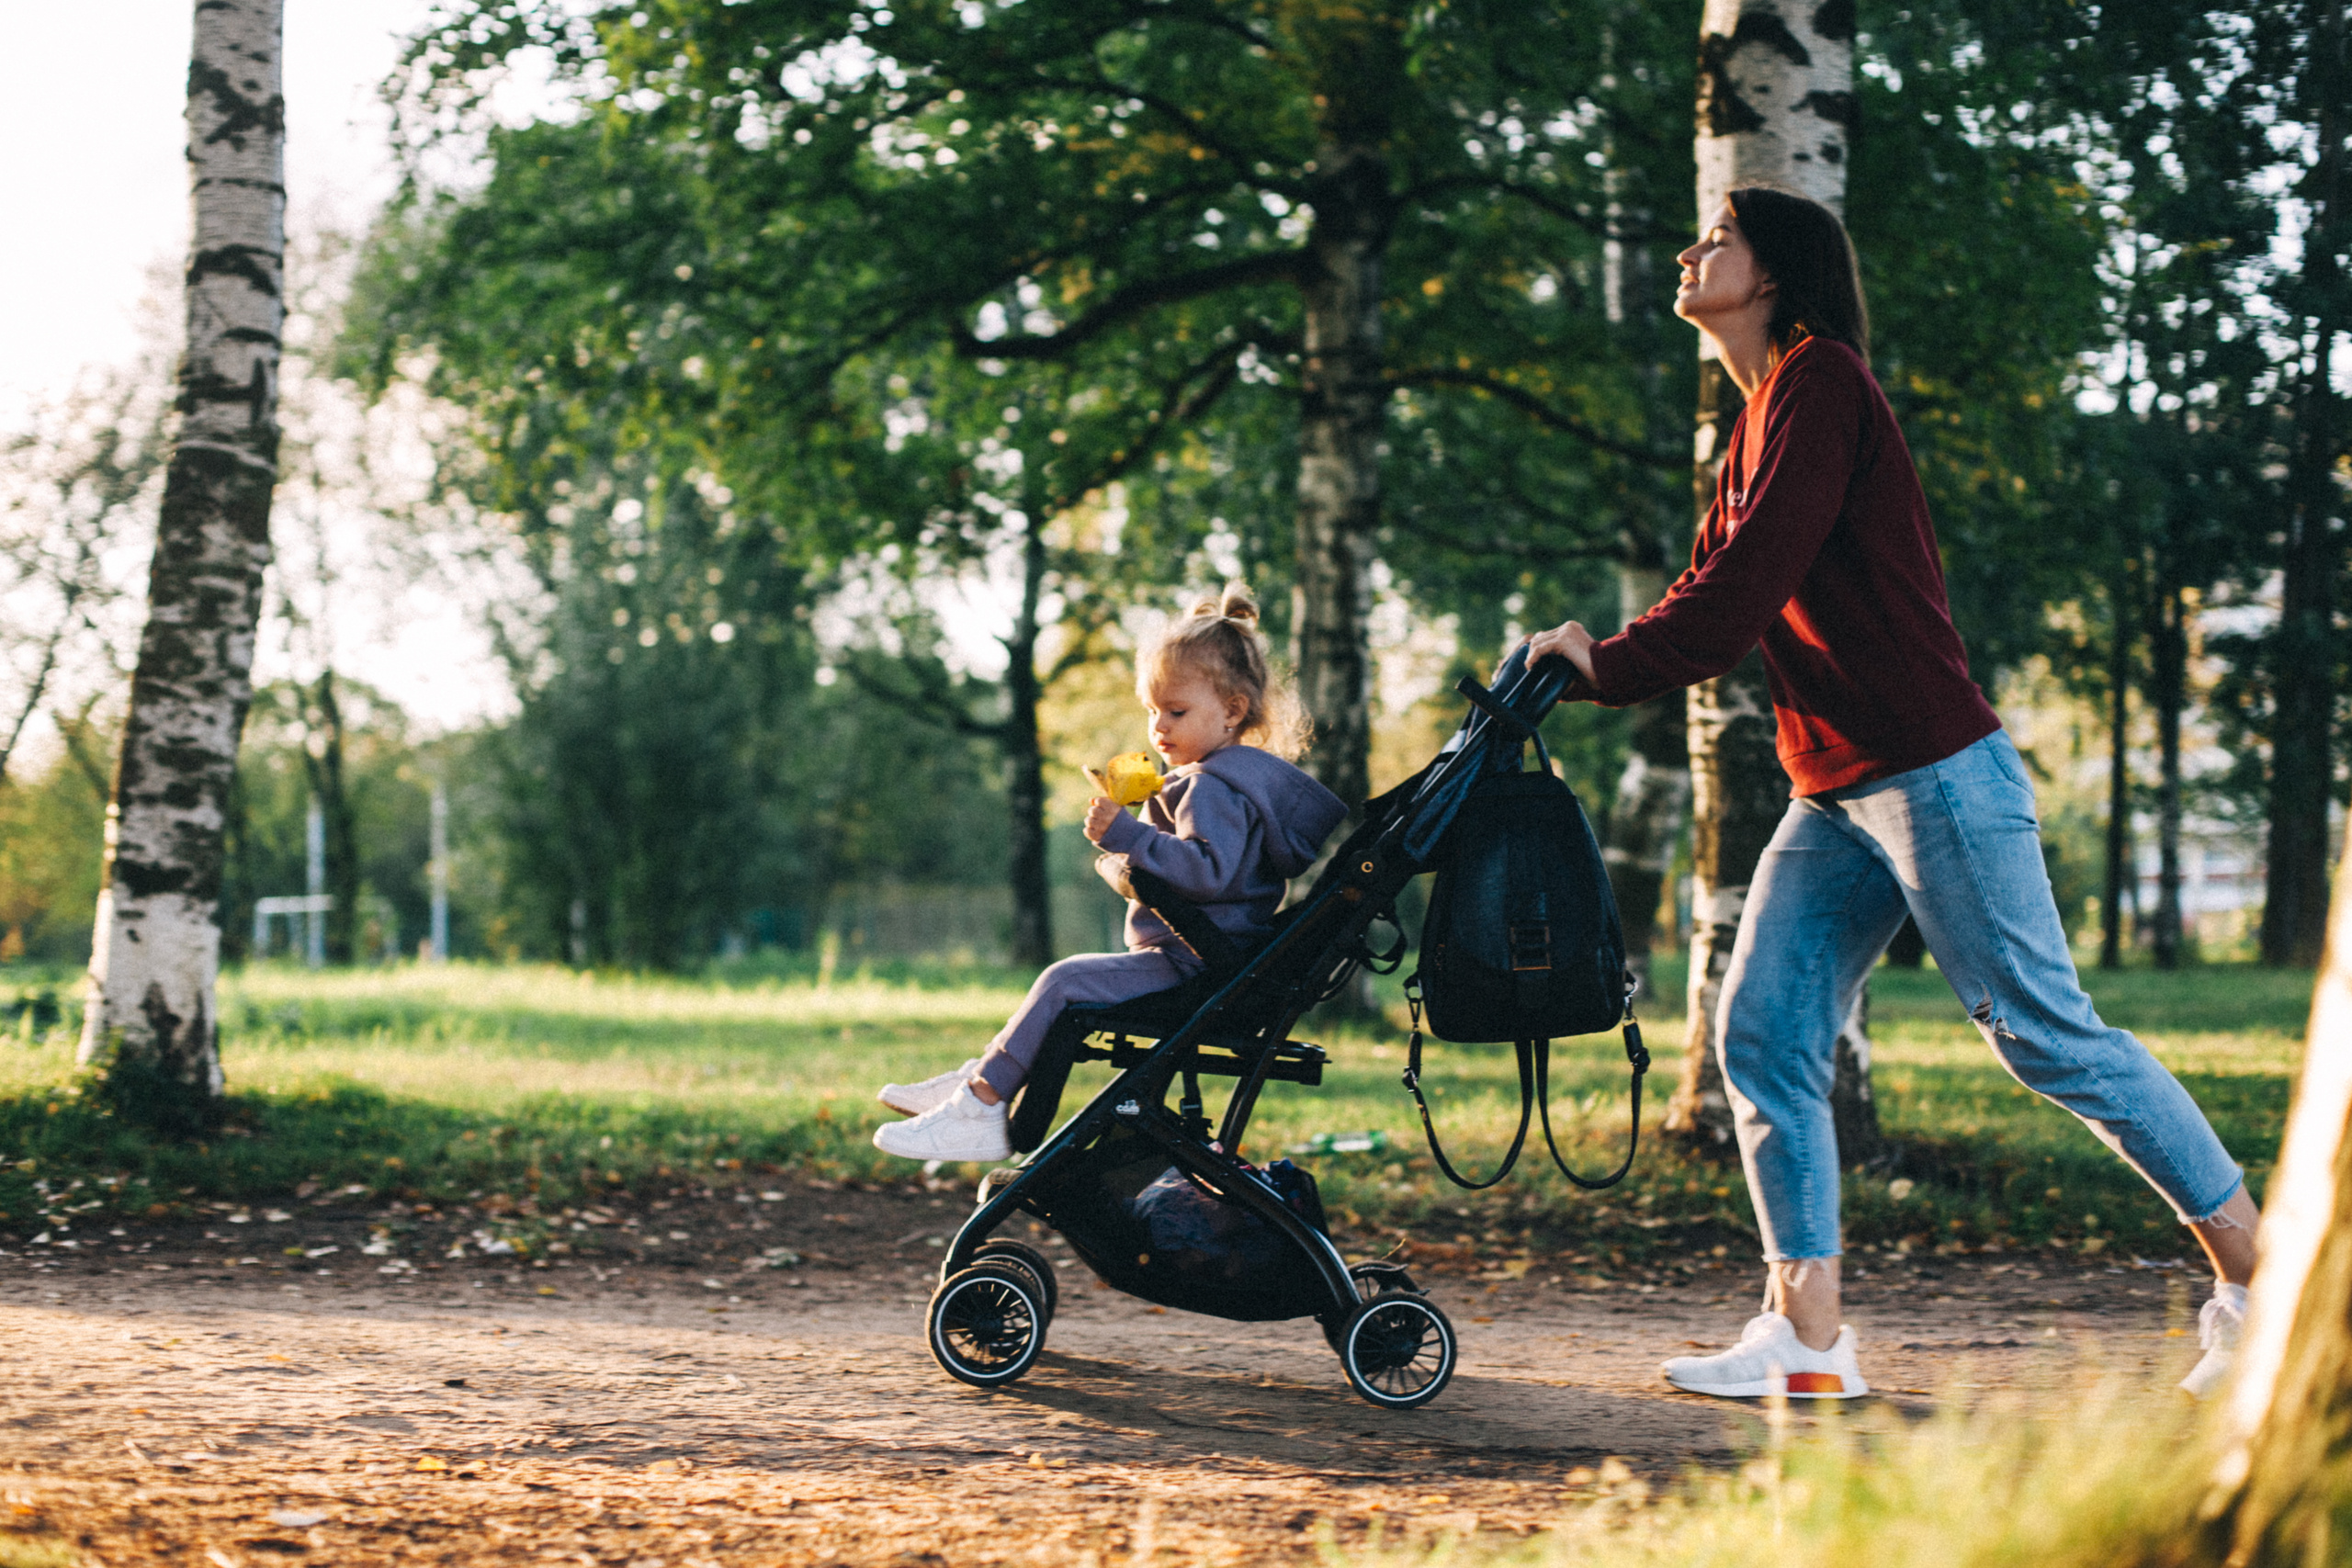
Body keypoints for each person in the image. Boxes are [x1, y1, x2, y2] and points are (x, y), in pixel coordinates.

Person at [1525, 186, 2257, 1402]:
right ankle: (1805, 1331)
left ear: (1774, 270)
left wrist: (1605, 666)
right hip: (1838, 789)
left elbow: (1741, 590)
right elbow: (1713, 582)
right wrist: (1602, 655)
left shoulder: (1823, 384)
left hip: (1929, 769)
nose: (1687, 248)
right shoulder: (1759, 415)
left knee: (2044, 1031)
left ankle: (2261, 1275)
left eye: (1715, 235)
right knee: (1762, 1029)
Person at [871, 586, 1347, 1164]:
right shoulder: (1220, 780)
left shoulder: (1211, 784)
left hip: (1191, 963)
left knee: (1062, 980)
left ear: (1232, 711)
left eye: (1176, 712)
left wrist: (1129, 839)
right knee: (1064, 983)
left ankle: (980, 1102)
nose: (1159, 727)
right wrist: (1133, 845)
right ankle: (981, 1083)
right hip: (1200, 954)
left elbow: (1208, 872)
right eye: (1152, 711)